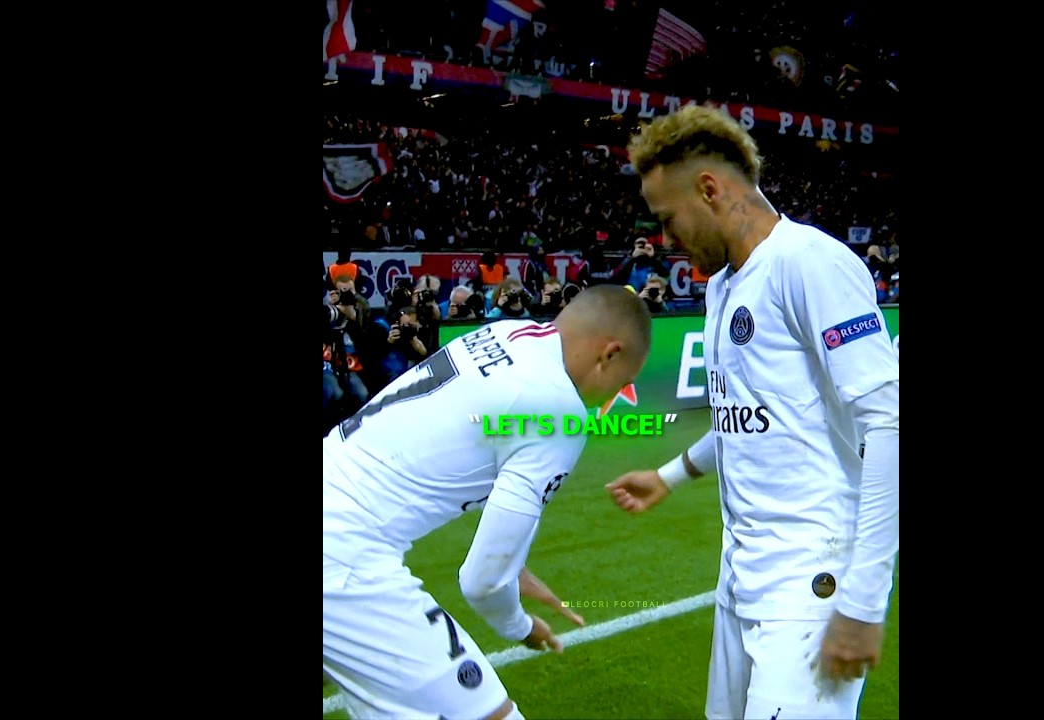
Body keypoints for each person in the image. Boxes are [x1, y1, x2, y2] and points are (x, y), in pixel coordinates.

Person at [604, 103, 900, 720]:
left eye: (667, 219)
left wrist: (864, 600)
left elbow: (889, 425)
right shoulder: (721, 285)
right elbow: (750, 416)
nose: (664, 240)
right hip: (741, 578)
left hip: (812, 582)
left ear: (709, 189)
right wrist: (669, 475)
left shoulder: (809, 264)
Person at [324, 285, 654, 720]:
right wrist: (521, 626)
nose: (617, 393)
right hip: (344, 553)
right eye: (624, 382)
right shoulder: (560, 411)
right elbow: (482, 582)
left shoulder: (508, 333)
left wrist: (512, 565)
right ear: (609, 354)